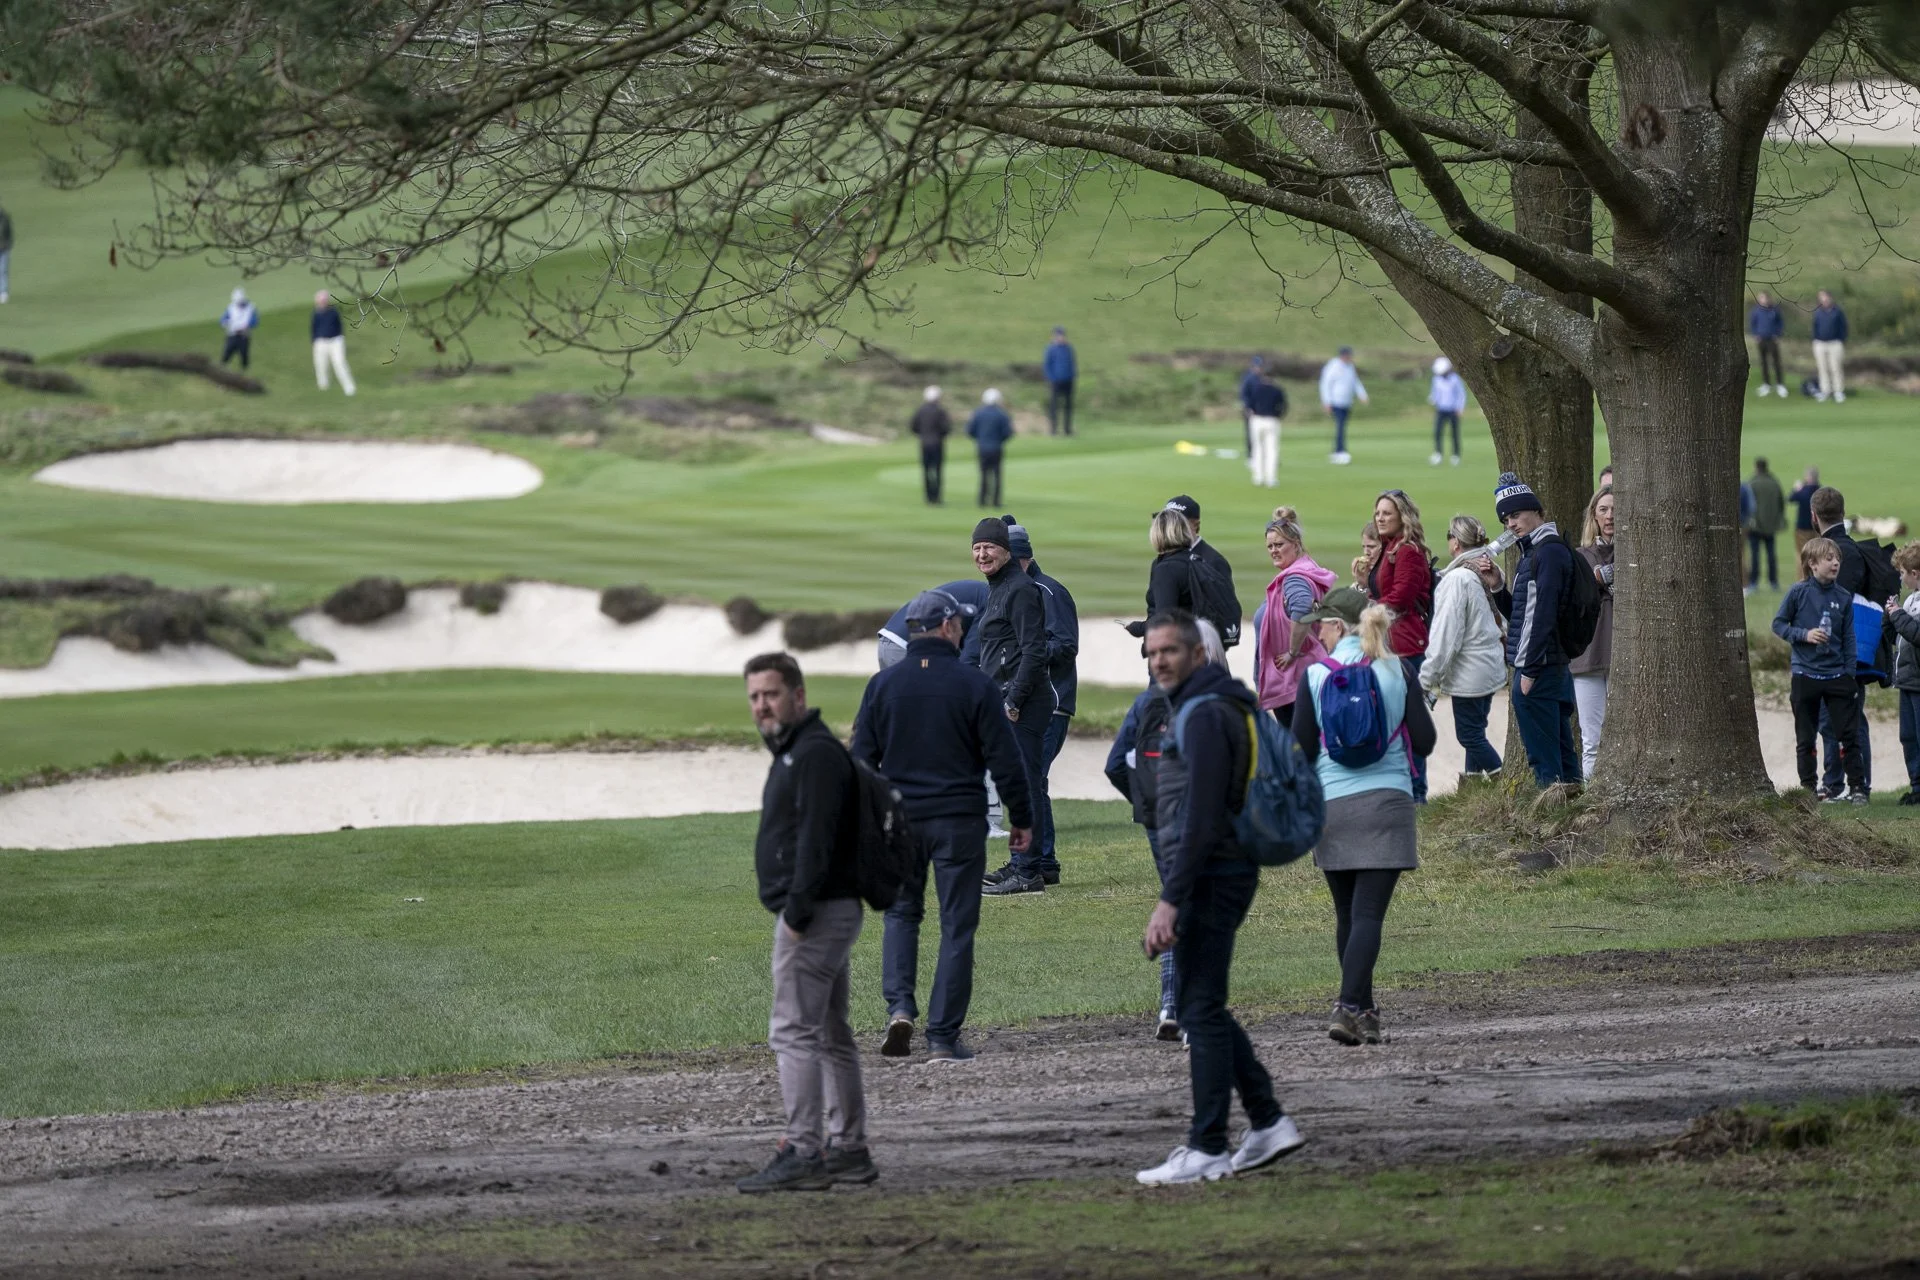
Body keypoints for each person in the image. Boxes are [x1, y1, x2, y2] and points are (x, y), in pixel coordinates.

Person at [1136, 609, 1305, 1185]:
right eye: (1152, 653)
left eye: (1170, 652)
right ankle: (1266, 1121)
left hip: (1214, 872)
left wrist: (1170, 898)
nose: (1159, 661)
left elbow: (1203, 817)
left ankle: (1208, 1144)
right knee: (1201, 1002)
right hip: (1221, 869)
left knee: (1199, 1008)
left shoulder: (1206, 713)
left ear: (1198, 655)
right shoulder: (1214, 704)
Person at [853, 592, 1035, 1064]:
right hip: (958, 820)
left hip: (900, 822)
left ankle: (899, 1008)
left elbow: (859, 764)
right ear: (949, 627)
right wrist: (1022, 817)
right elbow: (1005, 759)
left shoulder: (883, 686)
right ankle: (942, 1037)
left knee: (900, 915)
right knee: (957, 926)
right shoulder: (975, 686)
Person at [737, 652, 873, 1192]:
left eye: (770, 694)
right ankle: (848, 1148)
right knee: (832, 1032)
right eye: (753, 697)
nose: (761, 706)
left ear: (798, 694)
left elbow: (817, 842)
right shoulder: (799, 750)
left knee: (792, 1031)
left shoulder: (812, 754)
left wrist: (795, 914)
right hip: (828, 911)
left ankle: (803, 1150)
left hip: (815, 916)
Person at [1292, 588, 1436, 1046]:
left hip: (1332, 804)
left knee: (1346, 915)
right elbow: (1426, 741)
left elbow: (1301, 747)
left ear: (1339, 626)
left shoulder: (1315, 675)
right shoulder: (1397, 668)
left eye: (1322, 626)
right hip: (1387, 801)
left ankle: (1363, 1010)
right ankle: (1349, 1005)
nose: (1318, 634)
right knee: (1369, 914)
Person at [971, 517, 1056, 895]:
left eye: (988, 547)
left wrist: (1012, 700)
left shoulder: (1019, 589)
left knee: (1025, 788)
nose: (982, 554)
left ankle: (1027, 871)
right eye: (976, 548)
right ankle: (1027, 863)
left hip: (1020, 705)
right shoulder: (999, 588)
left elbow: (1034, 651)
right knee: (1022, 787)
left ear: (1006, 550)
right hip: (1006, 701)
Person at [1482, 471, 1582, 788]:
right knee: (1561, 749)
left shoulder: (1546, 553)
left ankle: (1553, 814)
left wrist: (1530, 671)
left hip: (1540, 667)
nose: (1510, 524)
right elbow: (1522, 616)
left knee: (1545, 758)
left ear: (1536, 511)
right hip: (1546, 664)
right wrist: (1498, 586)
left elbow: (1544, 616)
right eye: (1505, 519)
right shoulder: (1533, 553)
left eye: (1515, 514)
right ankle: (1569, 810)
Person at [1104, 678, 1182, 1039]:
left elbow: (1116, 764)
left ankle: (1171, 1003)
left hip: (1156, 819)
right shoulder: (1208, 700)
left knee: (1174, 898)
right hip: (1196, 819)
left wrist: (1144, 802)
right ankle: (1185, 1005)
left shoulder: (1145, 702)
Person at [1005, 517, 1077, 884]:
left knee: (1029, 780)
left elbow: (1065, 645)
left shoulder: (1049, 592)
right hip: (1035, 701)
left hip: (1051, 701)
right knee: (1034, 780)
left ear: (1025, 558)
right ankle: (1043, 863)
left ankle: (1031, 865)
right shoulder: (1013, 592)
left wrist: (1025, 653)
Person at [1773, 541, 1866, 804]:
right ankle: (1808, 790)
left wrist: (1849, 673)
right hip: (1805, 675)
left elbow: (1849, 638)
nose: (1836, 563)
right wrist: (1803, 635)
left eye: (1837, 558)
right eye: (1828, 559)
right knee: (1806, 738)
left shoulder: (1844, 597)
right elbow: (1779, 624)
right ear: (1812, 564)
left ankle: (1857, 788)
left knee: (1848, 736)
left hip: (1837, 677)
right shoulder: (1797, 593)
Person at [1421, 515, 1507, 780]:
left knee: (1468, 735)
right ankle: (1471, 787)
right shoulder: (1488, 571)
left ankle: (1502, 783)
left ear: (1455, 542)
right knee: (1476, 732)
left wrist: (1427, 677)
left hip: (1469, 671)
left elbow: (1447, 634)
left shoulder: (1457, 579)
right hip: (1489, 665)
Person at [1363, 489, 1434, 801]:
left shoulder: (1408, 551)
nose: (1380, 518)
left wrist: (1366, 613)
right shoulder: (1389, 548)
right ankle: (1400, 787)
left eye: (1386, 513)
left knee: (1407, 719)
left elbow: (1402, 598)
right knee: (1392, 718)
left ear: (1401, 516)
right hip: (1390, 640)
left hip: (1405, 643)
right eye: (1378, 512)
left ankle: (1415, 792)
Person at [1811, 485, 1873, 798]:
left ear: (1813, 515)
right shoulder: (1853, 549)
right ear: (1843, 513)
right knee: (1847, 719)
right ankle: (1842, 783)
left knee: (1838, 720)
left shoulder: (1834, 554)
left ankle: (1846, 785)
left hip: (1837, 652)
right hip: (1854, 650)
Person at [1256, 507, 1337, 729]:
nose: (1273, 550)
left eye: (1279, 545)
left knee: (1297, 746)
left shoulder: (1294, 579)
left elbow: (1302, 611)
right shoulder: (1306, 568)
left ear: (1296, 544)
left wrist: (1292, 651)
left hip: (1293, 678)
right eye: (1270, 546)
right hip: (1301, 676)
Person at [1141, 496, 1240, 647]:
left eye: (1176, 520)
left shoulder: (1213, 561)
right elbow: (1154, 608)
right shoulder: (1160, 561)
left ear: (1196, 525)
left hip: (1195, 650)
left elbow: (1223, 611)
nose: (1168, 524)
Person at [1570, 487, 1615, 781]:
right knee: (1592, 740)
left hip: (1623, 656)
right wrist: (1600, 579)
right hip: (1587, 658)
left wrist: (1604, 577)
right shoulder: (1580, 556)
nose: (1610, 515)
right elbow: (1579, 592)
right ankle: (1592, 799)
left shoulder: (1638, 552)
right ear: (1594, 516)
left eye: (1615, 508)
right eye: (1603, 510)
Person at [876, 579, 988, 670]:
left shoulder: (984, 592)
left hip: (889, 640)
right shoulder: (991, 601)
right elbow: (970, 661)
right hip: (905, 647)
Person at [1884, 542, 1920, 805]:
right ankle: (1916, 787)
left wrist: (1898, 616)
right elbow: (1898, 637)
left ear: (1915, 573)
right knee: (1908, 736)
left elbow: (1916, 634)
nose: (1901, 577)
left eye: (1903, 572)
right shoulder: (1910, 599)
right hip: (1906, 679)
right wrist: (1890, 617)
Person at [1317, 346, 1367, 465]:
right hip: (1336, 401)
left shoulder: (1350, 367)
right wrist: (1327, 402)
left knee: (1342, 426)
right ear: (1342, 355)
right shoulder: (1333, 366)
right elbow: (1325, 384)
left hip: (1347, 401)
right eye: (1347, 355)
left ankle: (1337, 450)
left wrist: (1362, 394)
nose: (1349, 357)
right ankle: (1340, 451)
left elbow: (1355, 382)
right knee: (1340, 426)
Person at [1745, 457, 1787, 594]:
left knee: (1755, 555)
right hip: (1770, 525)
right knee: (1771, 555)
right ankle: (1773, 582)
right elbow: (1781, 503)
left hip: (1755, 526)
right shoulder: (1774, 483)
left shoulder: (1752, 483)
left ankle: (1753, 582)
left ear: (1756, 467)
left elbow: (1747, 505)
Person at [967, 388, 1013, 507]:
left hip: (982, 448)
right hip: (996, 448)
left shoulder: (978, 413)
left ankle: (982, 500)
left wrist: (980, 439)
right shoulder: (1001, 414)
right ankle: (996, 501)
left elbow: (970, 430)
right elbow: (1008, 433)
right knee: (997, 475)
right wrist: (999, 440)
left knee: (983, 474)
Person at [1244, 364, 1288, 488]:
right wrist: (1278, 415)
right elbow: (1284, 406)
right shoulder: (1277, 390)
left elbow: (1249, 404)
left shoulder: (1256, 388)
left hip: (1257, 419)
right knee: (1272, 450)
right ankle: (1271, 479)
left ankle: (1258, 477)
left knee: (1257, 448)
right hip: (1272, 420)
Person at [911, 385, 951, 505]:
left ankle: (929, 497)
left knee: (927, 471)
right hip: (937, 444)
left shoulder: (920, 410)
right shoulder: (940, 411)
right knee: (937, 471)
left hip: (924, 444)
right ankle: (937, 497)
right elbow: (946, 428)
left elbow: (914, 426)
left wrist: (922, 435)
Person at [311, 290, 356, 396]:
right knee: (321, 365)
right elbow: (313, 328)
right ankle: (323, 388)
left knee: (339, 363)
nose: (322, 302)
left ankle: (349, 388)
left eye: (324, 300)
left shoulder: (333, 312)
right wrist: (314, 340)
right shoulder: (316, 313)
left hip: (335, 340)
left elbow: (339, 326)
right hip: (320, 341)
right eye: (320, 301)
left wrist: (340, 338)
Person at [1427, 357, 1466, 466]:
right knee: (1438, 432)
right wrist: (1433, 399)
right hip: (1441, 410)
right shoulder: (1436, 379)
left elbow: (1461, 395)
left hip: (1453, 410)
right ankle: (1438, 454)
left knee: (1454, 433)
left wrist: (1460, 408)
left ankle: (1456, 455)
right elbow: (1435, 393)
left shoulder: (1455, 379)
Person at [1811, 289, 1848, 402]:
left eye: (1826, 297)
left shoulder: (1837, 311)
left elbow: (1843, 327)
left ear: (1830, 298)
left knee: (1835, 368)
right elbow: (1814, 327)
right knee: (1822, 368)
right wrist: (1815, 339)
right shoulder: (1818, 312)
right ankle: (1825, 391)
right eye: (1822, 298)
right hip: (1820, 343)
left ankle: (1838, 391)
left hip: (1834, 343)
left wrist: (1841, 339)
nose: (1824, 300)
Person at [1748, 291, 1787, 396]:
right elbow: (1753, 323)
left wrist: (1778, 335)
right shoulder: (1756, 311)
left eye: (1764, 298)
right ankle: (1766, 384)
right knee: (1763, 362)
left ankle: (1780, 384)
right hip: (1762, 339)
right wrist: (1756, 334)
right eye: (1760, 298)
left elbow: (1780, 323)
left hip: (1772, 339)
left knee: (1776, 362)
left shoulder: (1774, 310)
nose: (1763, 300)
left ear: (1768, 299)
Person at [1043, 326, 1076, 436]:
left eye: (1062, 335)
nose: (1061, 337)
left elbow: (1072, 364)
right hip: (1055, 381)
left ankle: (1067, 429)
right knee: (1054, 406)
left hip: (1068, 380)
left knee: (1068, 406)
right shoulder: (1051, 349)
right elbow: (1047, 365)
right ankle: (1053, 429)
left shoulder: (1068, 348)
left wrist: (1072, 376)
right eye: (1058, 335)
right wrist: (1051, 378)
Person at [1789, 467, 1821, 581]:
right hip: (1817, 528)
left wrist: (1797, 488)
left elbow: (1791, 498)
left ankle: (1803, 578)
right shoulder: (1820, 491)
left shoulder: (1803, 491)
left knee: (1801, 555)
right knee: (1816, 554)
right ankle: (1815, 577)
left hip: (1802, 527)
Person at [219, 288, 259, 370]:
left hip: (244, 335)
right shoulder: (230, 308)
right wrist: (226, 322)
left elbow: (255, 321)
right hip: (232, 335)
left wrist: (248, 325)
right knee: (226, 354)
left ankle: (244, 370)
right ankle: (221, 369)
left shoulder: (251, 307)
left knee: (244, 355)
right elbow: (223, 320)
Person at [0, 199, 12, 304]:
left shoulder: (4, 217)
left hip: (3, 248)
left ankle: (3, 292)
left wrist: (8, 245)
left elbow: (9, 233)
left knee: (3, 270)